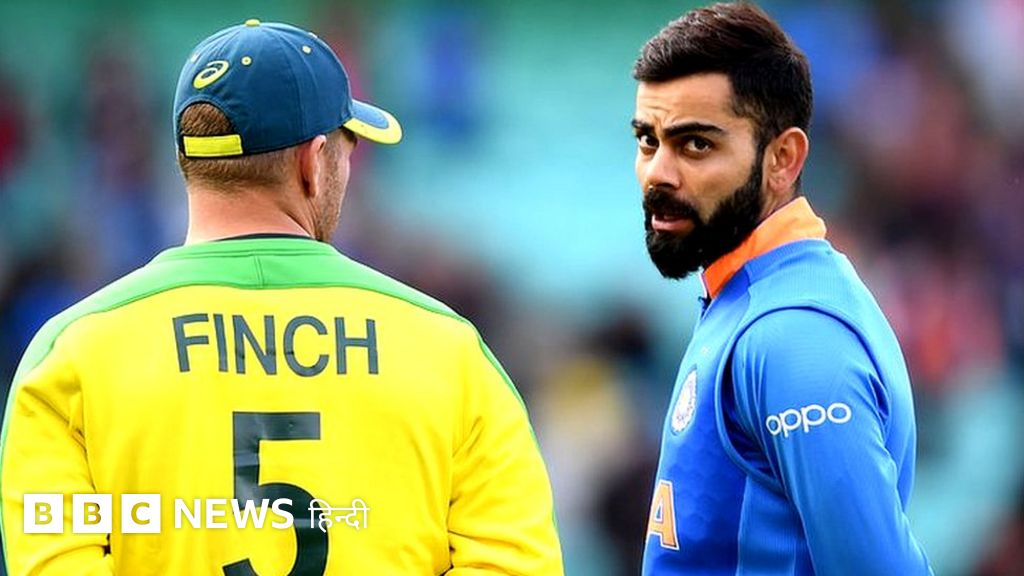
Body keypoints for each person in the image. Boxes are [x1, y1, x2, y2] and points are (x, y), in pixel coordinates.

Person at [0, 20, 563, 575]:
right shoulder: (448, 351)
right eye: (346, 149)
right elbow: (514, 566)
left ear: (187, 161)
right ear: (312, 163)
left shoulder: (71, 357)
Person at [631, 3, 933, 574]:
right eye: (649, 141)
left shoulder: (793, 336)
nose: (658, 174)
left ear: (783, 159)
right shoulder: (749, 301)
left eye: (696, 145)